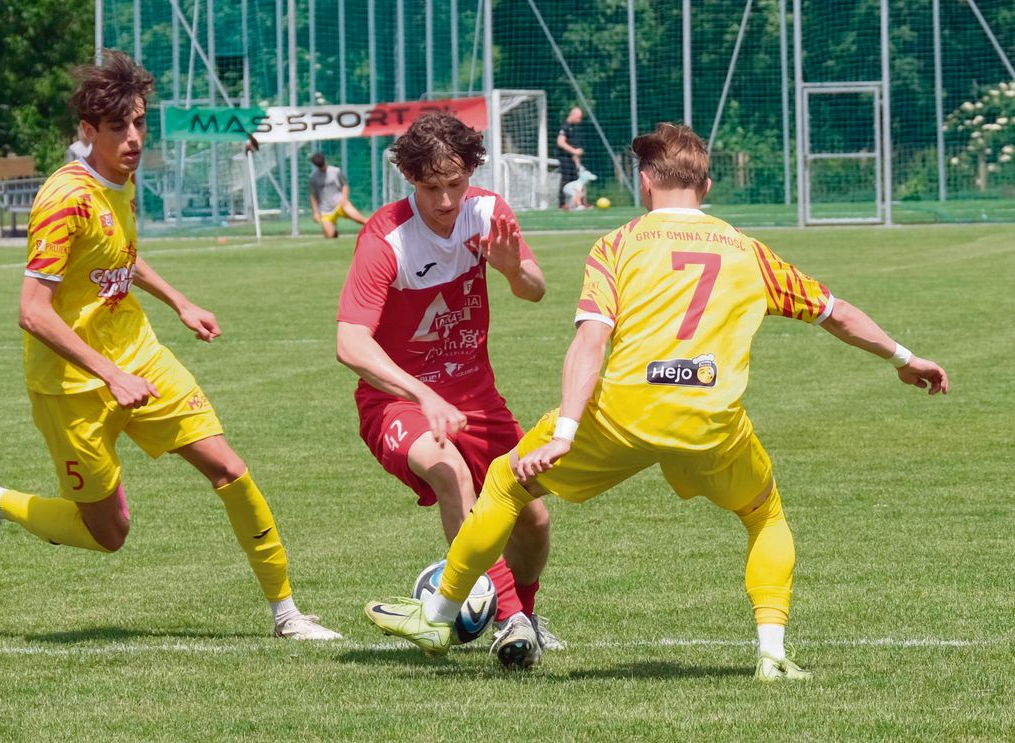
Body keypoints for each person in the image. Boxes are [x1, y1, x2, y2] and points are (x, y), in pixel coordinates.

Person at [365, 122, 949, 677]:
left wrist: (566, 432)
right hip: (711, 422)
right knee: (763, 514)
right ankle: (771, 652)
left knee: (505, 482)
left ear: (644, 180)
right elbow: (838, 314)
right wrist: (905, 357)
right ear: (707, 187)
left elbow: (590, 342)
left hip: (622, 415)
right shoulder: (748, 251)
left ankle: (439, 617)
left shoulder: (618, 244)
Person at [0, 50, 341, 642]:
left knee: (230, 470)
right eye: (118, 128)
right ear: (89, 132)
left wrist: (180, 302)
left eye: (139, 122)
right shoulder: (65, 200)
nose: (133, 138)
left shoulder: (124, 180)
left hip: (140, 353)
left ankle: (287, 614)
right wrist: (109, 374)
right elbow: (32, 312)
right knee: (109, 534)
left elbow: (122, 257)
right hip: (72, 384)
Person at [336, 112, 562, 669]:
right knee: (448, 472)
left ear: (472, 173)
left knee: (532, 521)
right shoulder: (385, 237)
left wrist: (512, 270)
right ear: (410, 180)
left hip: (478, 399)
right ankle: (508, 619)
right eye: (430, 187)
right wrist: (423, 394)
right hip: (397, 401)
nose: (444, 200)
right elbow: (350, 344)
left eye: (454, 184)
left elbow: (535, 290)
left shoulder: (487, 212)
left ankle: (524, 615)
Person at [309, 152, 368, 238]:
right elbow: (313, 196)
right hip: (325, 210)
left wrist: (344, 199)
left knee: (361, 220)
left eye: (323, 165)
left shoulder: (335, 171)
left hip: (340, 204)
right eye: (320, 166)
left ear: (325, 160)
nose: (322, 168)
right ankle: (332, 229)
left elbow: (345, 185)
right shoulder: (313, 177)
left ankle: (379, 229)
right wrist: (316, 212)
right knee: (330, 236)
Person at [556, 107, 585, 210]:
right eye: (578, 118)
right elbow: (560, 142)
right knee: (566, 180)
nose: (579, 120)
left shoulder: (574, 128)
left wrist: (577, 157)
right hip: (565, 160)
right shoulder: (565, 127)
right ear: (572, 115)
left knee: (577, 181)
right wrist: (574, 151)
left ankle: (577, 203)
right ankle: (562, 204)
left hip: (573, 160)